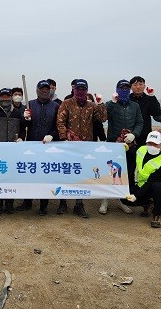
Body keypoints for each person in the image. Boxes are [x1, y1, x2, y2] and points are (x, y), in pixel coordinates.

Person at [56, 79, 107, 218]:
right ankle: (63, 202)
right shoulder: (66, 104)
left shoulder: (92, 106)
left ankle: (79, 204)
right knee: (66, 173)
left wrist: (100, 103)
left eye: (83, 89)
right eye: (78, 89)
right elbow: (60, 122)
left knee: (81, 175)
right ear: (74, 90)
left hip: (86, 146)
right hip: (69, 145)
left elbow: (103, 118)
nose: (81, 91)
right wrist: (64, 139)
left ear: (87, 90)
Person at [17, 80, 61, 215]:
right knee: (29, 174)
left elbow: (58, 126)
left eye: (47, 89)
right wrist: (25, 118)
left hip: (48, 146)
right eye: (42, 88)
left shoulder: (56, 106)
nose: (45, 91)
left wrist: (52, 136)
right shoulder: (30, 104)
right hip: (31, 145)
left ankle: (43, 206)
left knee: (45, 176)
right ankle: (27, 202)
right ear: (37, 90)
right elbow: (23, 125)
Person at [100, 79, 143, 215]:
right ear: (117, 89)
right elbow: (103, 117)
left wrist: (134, 134)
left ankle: (121, 200)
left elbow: (139, 122)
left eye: (126, 88)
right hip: (113, 144)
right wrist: (112, 103)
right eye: (121, 88)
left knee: (127, 173)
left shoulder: (135, 106)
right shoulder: (110, 104)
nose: (124, 90)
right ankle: (105, 200)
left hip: (129, 145)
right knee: (110, 173)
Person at [0, 88, 26, 215]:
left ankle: (9, 204)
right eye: (2, 97)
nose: (5, 99)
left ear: (11, 98)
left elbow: (23, 128)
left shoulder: (18, 112)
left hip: (13, 151)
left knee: (11, 177)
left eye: (7, 97)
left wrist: (21, 137)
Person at [125, 131, 161, 228]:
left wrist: (136, 196)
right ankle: (148, 203)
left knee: (157, 187)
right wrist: (126, 149)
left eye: (155, 144)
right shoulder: (142, 149)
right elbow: (131, 155)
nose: (152, 146)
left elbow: (151, 181)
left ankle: (157, 215)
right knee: (124, 198)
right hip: (142, 185)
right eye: (149, 143)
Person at [129, 76, 161, 146]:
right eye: (135, 85)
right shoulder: (127, 99)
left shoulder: (149, 99)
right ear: (130, 87)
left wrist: (152, 96)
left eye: (140, 84)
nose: (138, 87)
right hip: (129, 134)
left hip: (144, 133)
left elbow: (156, 112)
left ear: (144, 86)